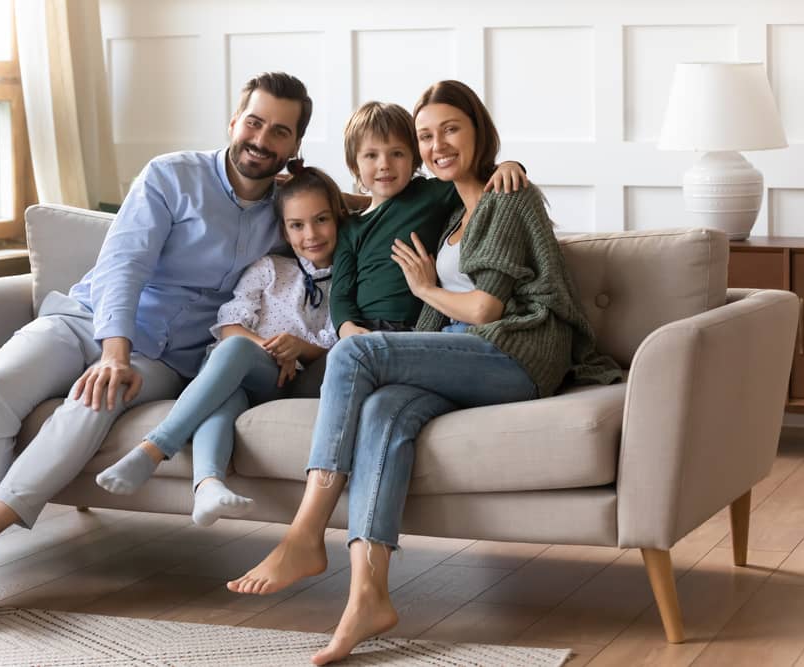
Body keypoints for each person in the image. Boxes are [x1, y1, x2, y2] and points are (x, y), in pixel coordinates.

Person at [227, 80, 622, 665]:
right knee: (385, 411)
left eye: (451, 130)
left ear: (478, 132)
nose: (437, 144)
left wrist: (426, 287)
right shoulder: (445, 211)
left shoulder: (505, 197)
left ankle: (305, 532)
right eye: (427, 135)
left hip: (513, 353)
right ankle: (368, 595)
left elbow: (488, 308)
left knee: (354, 353)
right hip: (460, 353)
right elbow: (358, 212)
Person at [0, 71, 313, 624]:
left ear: (294, 146)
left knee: (96, 402)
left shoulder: (285, 210)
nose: (261, 139)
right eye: (254, 122)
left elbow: (348, 210)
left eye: (280, 131)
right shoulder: (171, 175)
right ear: (234, 122)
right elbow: (124, 264)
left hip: (166, 357)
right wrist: (113, 349)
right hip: (88, 318)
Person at [94, 160, 346, 527]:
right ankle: (208, 484)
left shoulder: (346, 278)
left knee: (235, 354)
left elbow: (335, 338)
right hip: (236, 367)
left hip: (283, 379)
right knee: (228, 388)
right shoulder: (269, 267)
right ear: (284, 230)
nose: (311, 233)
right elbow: (230, 325)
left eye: (321, 220)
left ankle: (154, 448)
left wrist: (299, 348)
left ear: (338, 218)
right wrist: (268, 347)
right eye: (297, 225)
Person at [331, 101, 528, 339]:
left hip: (420, 328)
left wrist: (510, 165)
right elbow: (340, 293)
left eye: (397, 153)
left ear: (415, 159)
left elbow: (478, 178)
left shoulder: (429, 194)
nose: (384, 165)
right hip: (365, 329)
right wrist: (346, 328)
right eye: (371, 155)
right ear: (354, 165)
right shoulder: (351, 228)